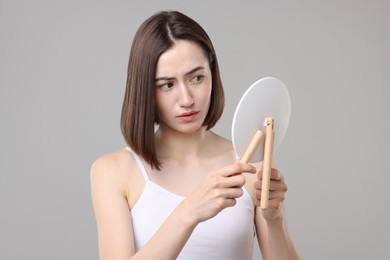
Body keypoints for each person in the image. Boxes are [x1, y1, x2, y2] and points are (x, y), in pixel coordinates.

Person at [90, 10, 300, 260]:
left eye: (197, 78)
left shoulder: (250, 161)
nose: (187, 99)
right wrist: (189, 211)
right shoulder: (113, 171)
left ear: (213, 74)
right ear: (146, 90)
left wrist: (274, 219)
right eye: (167, 85)